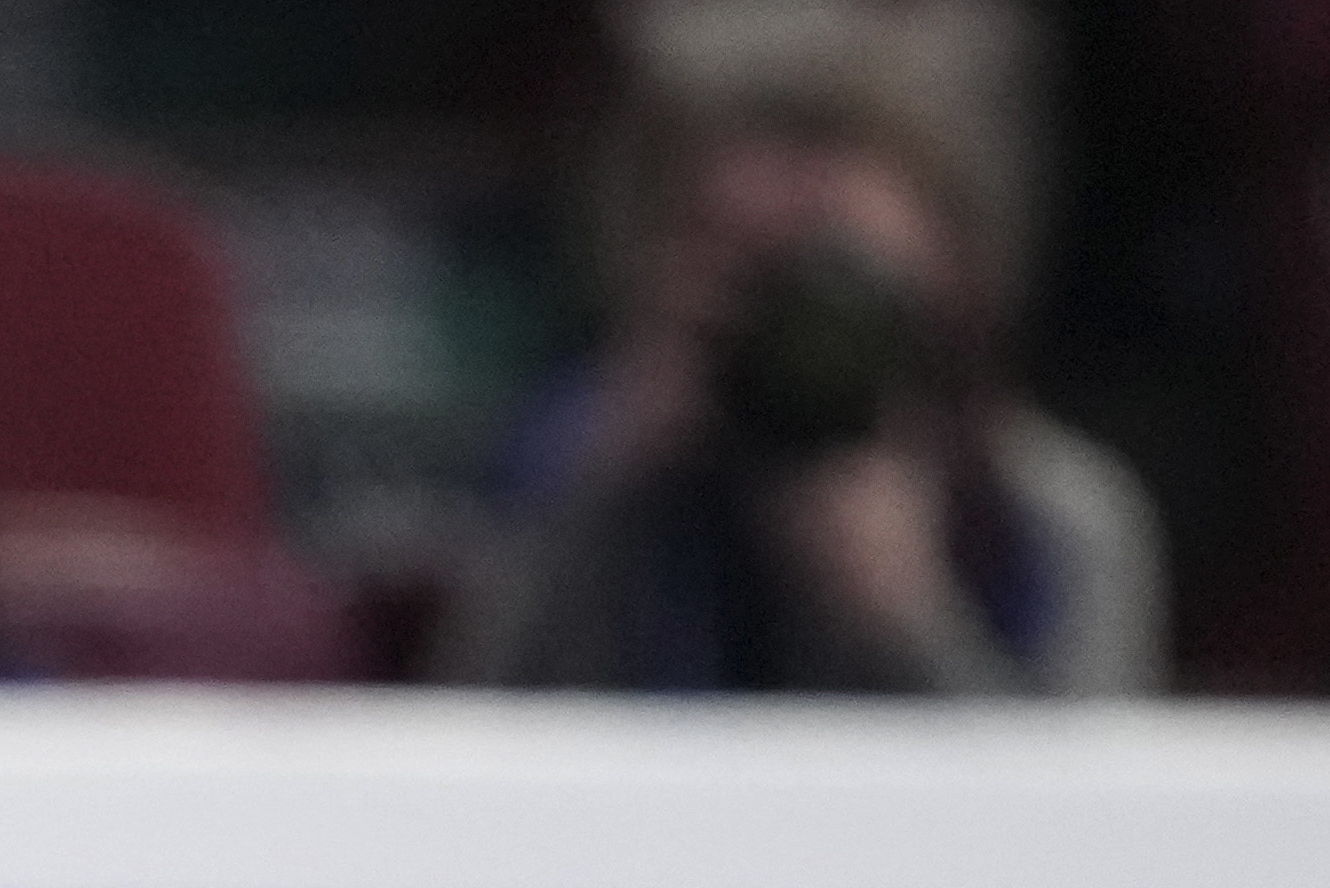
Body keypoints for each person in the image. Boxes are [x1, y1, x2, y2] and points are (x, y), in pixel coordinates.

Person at [453, 64, 1163, 699]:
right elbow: (472, 747)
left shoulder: (1051, 511)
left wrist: (912, 616)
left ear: (951, 270)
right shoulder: (583, 458)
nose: (779, 301)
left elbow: (1081, 818)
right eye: (739, 257)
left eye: (825, 258)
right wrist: (599, 493)